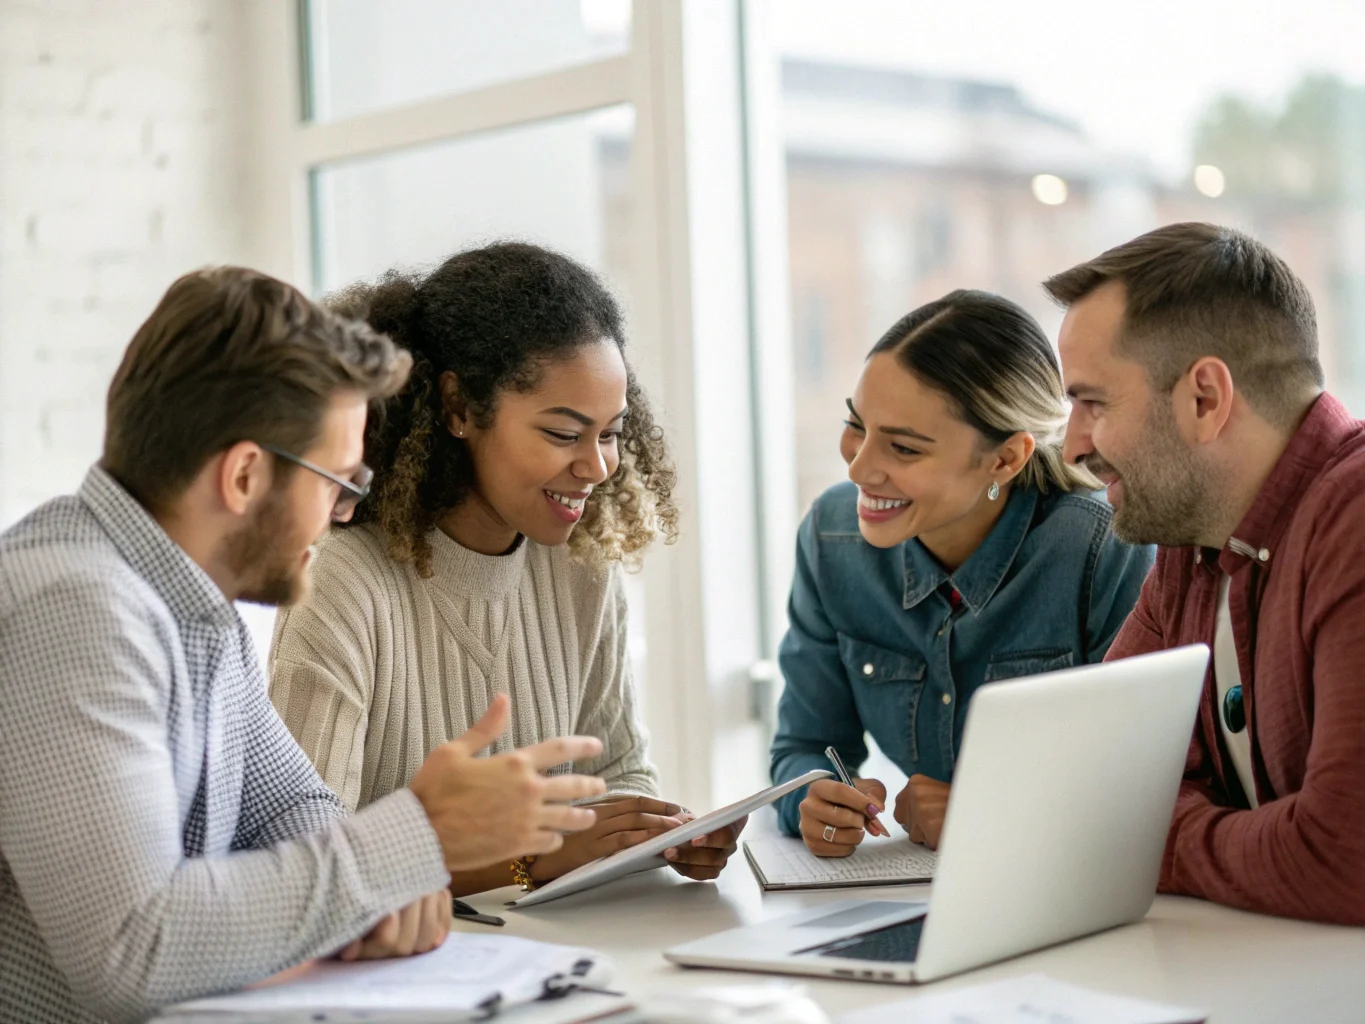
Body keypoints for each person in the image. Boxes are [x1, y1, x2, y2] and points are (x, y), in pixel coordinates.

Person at [0, 268, 609, 1024]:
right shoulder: (75, 609)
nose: (348, 514)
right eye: (336, 482)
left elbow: (293, 808)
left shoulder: (195, 606)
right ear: (245, 474)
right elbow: (134, 948)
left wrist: (386, 883)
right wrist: (420, 835)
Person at [269, 242, 745, 895]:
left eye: (609, 433)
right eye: (563, 433)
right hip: (403, 974)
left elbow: (620, 772)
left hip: (555, 959)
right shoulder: (344, 584)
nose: (598, 466)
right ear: (459, 408)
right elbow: (302, 872)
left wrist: (653, 834)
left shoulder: (579, 570)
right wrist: (528, 862)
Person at [1050, 222, 1365, 926]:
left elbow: (1344, 858)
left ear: (1204, 398)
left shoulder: (1355, 514)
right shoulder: (1188, 540)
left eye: (1092, 403)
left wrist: (1154, 836)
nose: (1070, 446)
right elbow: (1094, 785)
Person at [770, 290, 1153, 856]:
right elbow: (804, 745)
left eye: (902, 448)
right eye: (858, 425)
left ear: (1005, 459)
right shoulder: (832, 538)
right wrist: (812, 796)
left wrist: (992, 809)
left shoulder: (1102, 546)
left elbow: (1143, 779)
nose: (859, 466)